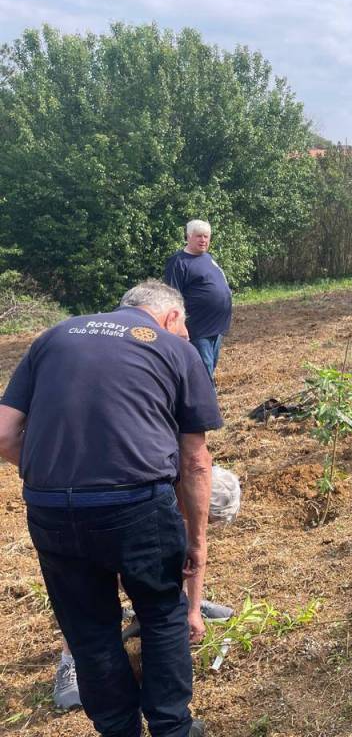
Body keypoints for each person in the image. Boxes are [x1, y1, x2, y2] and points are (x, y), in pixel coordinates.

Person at [0, 280, 222, 737]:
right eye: (183, 329)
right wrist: (197, 540)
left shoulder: (53, 336)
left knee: (89, 629)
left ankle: (119, 731)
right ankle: (172, 727)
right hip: (136, 504)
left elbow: (4, 435)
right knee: (161, 613)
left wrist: (56, 474)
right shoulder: (175, 349)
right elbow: (196, 460)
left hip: (50, 509)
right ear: (171, 317)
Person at [164, 219, 233, 380]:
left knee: (210, 367)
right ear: (188, 237)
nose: (203, 240)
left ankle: (207, 394)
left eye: (206, 236)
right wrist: (180, 327)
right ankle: (207, 396)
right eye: (199, 236)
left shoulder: (208, 258)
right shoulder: (178, 262)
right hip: (197, 329)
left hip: (216, 327)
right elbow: (172, 297)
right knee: (203, 371)